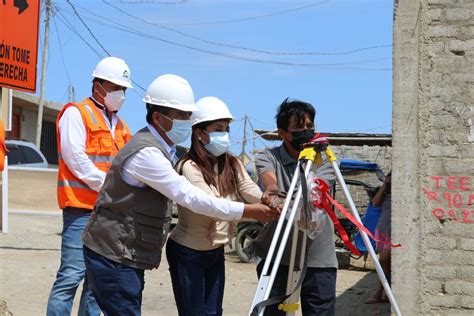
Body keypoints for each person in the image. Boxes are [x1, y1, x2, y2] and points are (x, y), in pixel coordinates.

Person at [82, 74, 279, 315]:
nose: (188, 121)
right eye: (182, 116)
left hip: (126, 252)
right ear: (157, 117)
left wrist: (267, 197)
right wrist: (250, 212)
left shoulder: (169, 151)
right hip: (113, 252)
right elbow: (192, 198)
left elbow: (247, 188)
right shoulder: (149, 155)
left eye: (189, 115)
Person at [166, 96, 269, 315]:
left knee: (214, 313)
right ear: (200, 133)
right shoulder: (188, 166)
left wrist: (271, 200)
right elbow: (210, 205)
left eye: (226, 129)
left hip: (215, 251)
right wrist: (257, 213)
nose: (224, 135)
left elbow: (249, 189)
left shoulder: (232, 163)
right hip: (187, 252)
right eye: (218, 129)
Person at [47, 56, 133, 316]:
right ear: (98, 85)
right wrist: (111, 187)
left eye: (123, 89)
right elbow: (76, 160)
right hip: (81, 209)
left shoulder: (122, 126)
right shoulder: (76, 113)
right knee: (71, 276)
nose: (120, 94)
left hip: (108, 213)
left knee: (97, 284)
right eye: (115, 87)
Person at [254, 98, 338, 316]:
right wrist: (272, 194)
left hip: (318, 255)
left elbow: (316, 192)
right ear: (282, 133)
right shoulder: (268, 157)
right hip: (280, 252)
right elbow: (269, 182)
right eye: (298, 128)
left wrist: (283, 202)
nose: (306, 132)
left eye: (310, 127)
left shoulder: (323, 159)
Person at [366, 172, 392, 304]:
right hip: (382, 231)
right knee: (385, 264)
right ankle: (386, 293)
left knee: (383, 261)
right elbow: (375, 203)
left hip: (394, 233)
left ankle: (378, 292)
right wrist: (385, 185)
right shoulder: (385, 194)